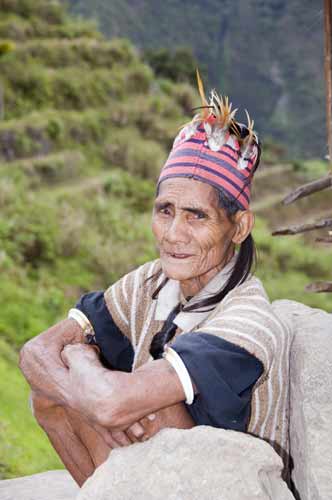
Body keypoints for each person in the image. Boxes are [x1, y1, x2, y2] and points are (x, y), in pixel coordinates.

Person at [19, 73, 291, 487]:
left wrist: (82, 362)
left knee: (147, 408)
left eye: (196, 216)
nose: (173, 233)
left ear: (239, 227)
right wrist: (91, 390)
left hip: (225, 491)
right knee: (48, 397)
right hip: (160, 480)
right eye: (165, 211)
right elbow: (35, 352)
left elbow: (112, 403)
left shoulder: (248, 324)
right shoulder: (152, 281)